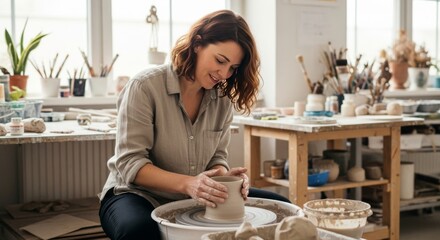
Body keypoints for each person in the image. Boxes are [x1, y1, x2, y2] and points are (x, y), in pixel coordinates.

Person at [98, 9, 289, 240]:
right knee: (138, 232)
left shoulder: (222, 100)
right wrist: (190, 184)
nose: (224, 74)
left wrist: (225, 177)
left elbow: (217, 158)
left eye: (232, 68)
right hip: (136, 194)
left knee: (284, 209)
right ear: (197, 44)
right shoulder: (144, 86)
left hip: (194, 195)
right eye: (220, 61)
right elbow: (130, 164)